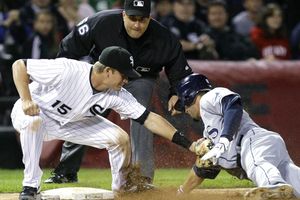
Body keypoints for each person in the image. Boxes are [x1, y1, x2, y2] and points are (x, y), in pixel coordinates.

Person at [11, 46, 197, 200]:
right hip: (36, 112)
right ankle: (30, 187)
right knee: (32, 122)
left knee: (119, 138)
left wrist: (188, 144)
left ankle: (121, 189)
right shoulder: (68, 69)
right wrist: (26, 99)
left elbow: (149, 118)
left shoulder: (117, 94)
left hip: (72, 122)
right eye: (124, 75)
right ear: (108, 71)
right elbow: (19, 66)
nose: (126, 80)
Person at [44, 0, 194, 185]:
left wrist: (176, 92)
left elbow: (179, 71)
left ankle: (142, 178)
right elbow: (69, 48)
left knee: (142, 117)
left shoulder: (164, 37)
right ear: (123, 14)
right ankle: (66, 171)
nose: (137, 24)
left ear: (150, 18)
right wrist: (68, 79)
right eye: (132, 18)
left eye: (142, 19)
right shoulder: (101, 22)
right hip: (105, 76)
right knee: (82, 113)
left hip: (139, 79)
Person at [172, 73, 300, 199]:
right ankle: (279, 188)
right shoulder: (209, 130)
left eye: (184, 105)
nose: (185, 110)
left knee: (258, 164)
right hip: (264, 145)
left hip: (253, 142)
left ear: (189, 97)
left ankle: (273, 186)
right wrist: (182, 193)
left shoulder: (208, 98)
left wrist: (225, 138)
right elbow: (202, 170)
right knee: (291, 179)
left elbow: (232, 104)